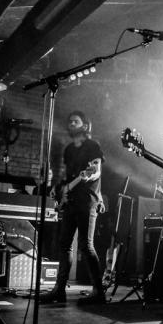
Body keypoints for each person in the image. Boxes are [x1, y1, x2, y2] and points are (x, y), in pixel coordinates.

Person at [39, 111, 106, 305]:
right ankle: (59, 289)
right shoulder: (68, 149)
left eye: (75, 121)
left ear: (85, 125)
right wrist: (59, 189)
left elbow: (95, 171)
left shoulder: (93, 146)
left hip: (87, 201)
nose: (71, 124)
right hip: (70, 202)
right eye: (69, 122)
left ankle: (98, 291)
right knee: (64, 245)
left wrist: (78, 181)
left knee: (86, 245)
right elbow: (70, 176)